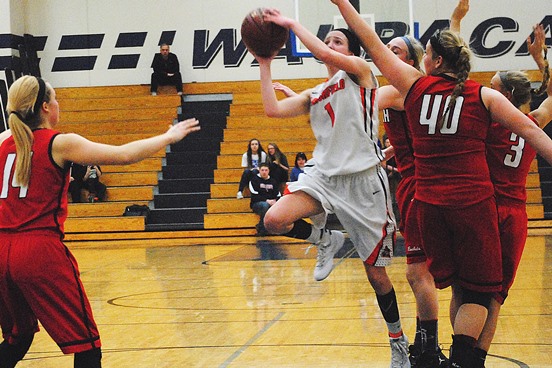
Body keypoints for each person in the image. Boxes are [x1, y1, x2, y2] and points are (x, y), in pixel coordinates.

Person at [332, 1, 552, 366]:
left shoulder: (413, 87)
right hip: (473, 205)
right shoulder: (484, 96)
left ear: (432, 61)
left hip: (428, 205)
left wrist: (342, 4)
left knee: (457, 288)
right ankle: (461, 361)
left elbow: (370, 43)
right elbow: (531, 128)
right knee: (482, 296)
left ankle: (444, 353)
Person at [0, 75, 200, 368]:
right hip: (37, 249)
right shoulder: (59, 143)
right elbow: (124, 155)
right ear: (45, 107)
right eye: (55, 100)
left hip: (1, 247)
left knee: (18, 339)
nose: (57, 105)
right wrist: (168, 136)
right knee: (87, 346)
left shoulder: (4, 142)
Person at [249, 9, 410, 367]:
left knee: (376, 274)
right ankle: (325, 240)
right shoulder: (316, 93)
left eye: (337, 40)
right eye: (328, 40)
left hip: (363, 182)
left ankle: (398, 340)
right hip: (323, 175)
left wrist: (290, 24)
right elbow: (272, 109)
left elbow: (323, 54)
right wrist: (264, 62)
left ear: (351, 51)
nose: (328, 45)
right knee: (274, 220)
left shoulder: (361, 73)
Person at [451, 6, 552, 366]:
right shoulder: (534, 122)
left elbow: (457, 77)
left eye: (492, 88)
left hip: (485, 212)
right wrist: (541, 60)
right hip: (516, 218)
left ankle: (460, 356)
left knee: (466, 292)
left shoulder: (488, 121)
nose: (486, 92)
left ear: (505, 95)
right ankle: (474, 359)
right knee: (493, 299)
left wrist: (457, 23)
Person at [249, 163, 280, 236]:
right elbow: (254, 196)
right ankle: (262, 229)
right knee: (265, 205)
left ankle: (277, 229)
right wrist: (267, 200)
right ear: (259, 170)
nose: (264, 172)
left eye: (266, 170)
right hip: (257, 204)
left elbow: (278, 194)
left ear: (269, 171)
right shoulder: (254, 180)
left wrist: (275, 201)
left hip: (271, 202)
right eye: (262, 170)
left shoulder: (273, 181)